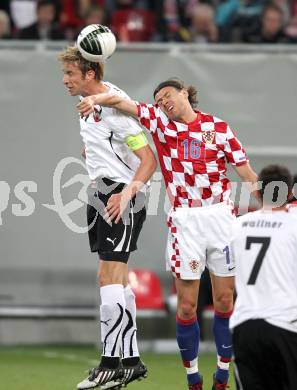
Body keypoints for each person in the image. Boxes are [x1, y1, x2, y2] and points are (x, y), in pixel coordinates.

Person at [77, 78, 258, 390]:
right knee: (187, 306)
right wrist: (97, 99)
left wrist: (277, 205)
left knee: (225, 301)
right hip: (186, 221)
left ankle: (222, 373)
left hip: (220, 217)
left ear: (185, 93)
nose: (164, 103)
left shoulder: (219, 128)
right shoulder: (160, 123)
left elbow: (246, 172)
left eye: (168, 96)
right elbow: (124, 103)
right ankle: (192, 378)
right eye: (159, 101)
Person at [58, 45, 157, 390]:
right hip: (101, 191)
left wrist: (126, 193)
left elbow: (149, 160)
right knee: (115, 280)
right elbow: (108, 143)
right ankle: (129, 362)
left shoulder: (113, 105)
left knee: (109, 277)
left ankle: (109, 363)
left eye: (70, 74)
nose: (65, 81)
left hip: (119, 196)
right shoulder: (90, 106)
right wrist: (95, 154)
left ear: (89, 73)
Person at [230, 164, 297, 390]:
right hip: (285, 325)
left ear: (257, 192)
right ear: (289, 194)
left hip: (244, 326)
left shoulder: (236, 225)